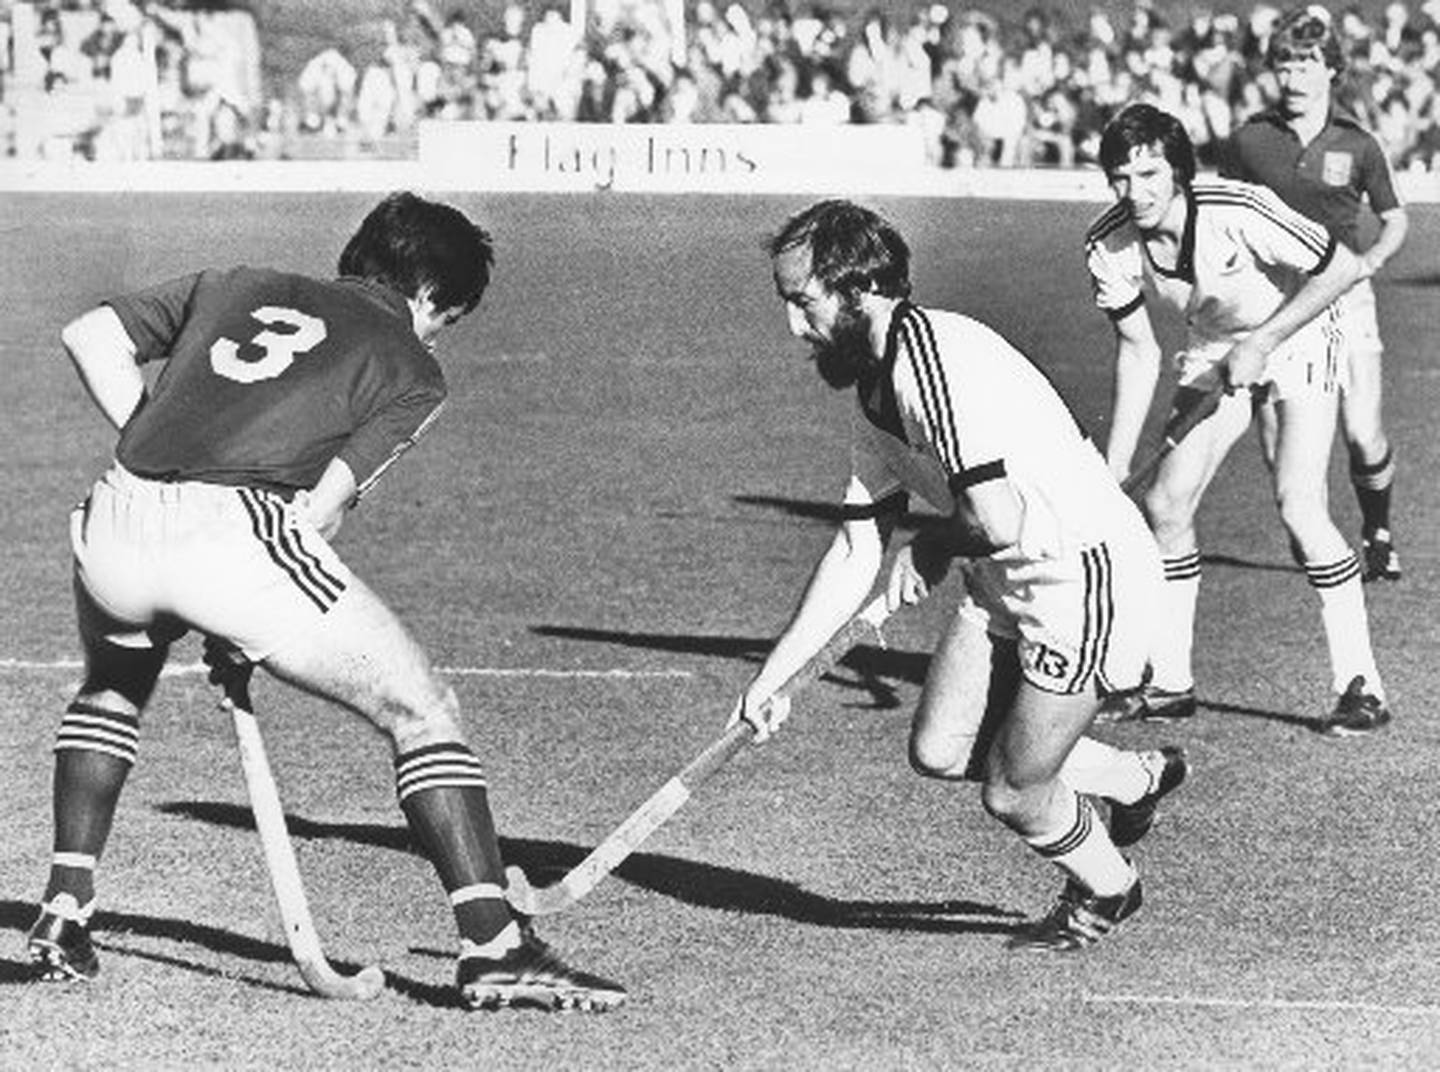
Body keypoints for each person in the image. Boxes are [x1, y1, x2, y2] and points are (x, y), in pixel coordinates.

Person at [25, 192, 626, 1013]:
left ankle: (64, 910)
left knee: (113, 686)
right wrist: (239, 606)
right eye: (443, 320)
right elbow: (318, 514)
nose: (435, 335)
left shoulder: (236, 281)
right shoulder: (412, 368)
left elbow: (88, 334)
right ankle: (495, 945)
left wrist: (163, 435)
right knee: (423, 706)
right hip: (236, 534)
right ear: (430, 300)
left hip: (116, 516)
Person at [734, 199, 1189, 953]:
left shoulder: (932, 361)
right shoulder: (874, 393)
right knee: (941, 748)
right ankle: (1134, 779)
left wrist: (931, 548)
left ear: (862, 291)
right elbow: (855, 549)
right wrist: (773, 679)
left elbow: (995, 517)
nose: (794, 328)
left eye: (804, 303)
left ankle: (1110, 886)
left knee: (1014, 792)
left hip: (1084, 577)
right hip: (1007, 577)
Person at [1087, 102, 1390, 737]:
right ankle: (1170, 681)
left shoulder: (1236, 208)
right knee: (1166, 505)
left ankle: (1361, 685)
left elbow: (1340, 267)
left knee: (1300, 504)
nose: (1134, 192)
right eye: (1120, 176)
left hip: (1300, 330)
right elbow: (1139, 351)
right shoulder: (1108, 242)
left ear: (1177, 172)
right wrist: (1113, 465)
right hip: (1212, 346)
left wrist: (1265, 340)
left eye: (1149, 175)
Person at [1221, 5, 1410, 583]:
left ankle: (1377, 531)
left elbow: (1394, 217)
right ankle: (1319, 540)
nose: (1293, 78)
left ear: (1331, 71)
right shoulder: (1250, 140)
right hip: (1278, 304)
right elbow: (1225, 213)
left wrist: (1372, 258)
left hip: (1347, 299)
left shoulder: (1358, 144)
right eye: (1284, 65)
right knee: (1284, 451)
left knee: (1361, 432)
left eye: (1306, 66)